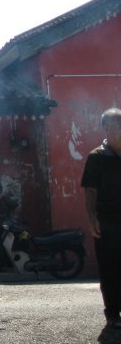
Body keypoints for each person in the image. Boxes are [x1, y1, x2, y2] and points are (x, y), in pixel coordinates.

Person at [81, 107, 121, 330]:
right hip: (106, 220)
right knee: (109, 268)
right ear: (106, 128)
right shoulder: (97, 156)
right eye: (118, 125)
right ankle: (113, 314)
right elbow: (90, 191)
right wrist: (92, 219)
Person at [0, 181, 19, 246]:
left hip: (4, 228)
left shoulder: (5, 199)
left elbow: (16, 206)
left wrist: (13, 217)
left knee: (4, 246)